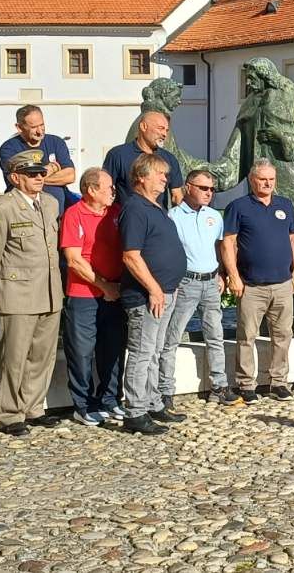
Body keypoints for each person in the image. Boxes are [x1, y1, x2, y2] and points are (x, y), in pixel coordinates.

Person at [0, 150, 65, 437]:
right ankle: (10, 413)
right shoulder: (3, 208)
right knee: (14, 357)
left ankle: (33, 408)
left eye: (41, 173)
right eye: (32, 174)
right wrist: (1, 289)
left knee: (42, 355)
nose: (39, 178)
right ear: (15, 178)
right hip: (18, 293)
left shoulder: (50, 203)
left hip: (49, 290)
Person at [116, 153, 189, 434]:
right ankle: (135, 412)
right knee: (142, 352)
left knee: (155, 351)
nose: (165, 179)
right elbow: (131, 256)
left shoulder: (156, 207)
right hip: (146, 296)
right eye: (159, 174)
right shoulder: (135, 208)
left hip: (166, 292)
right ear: (141, 177)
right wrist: (154, 288)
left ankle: (153, 402)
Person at [223, 160, 294, 403]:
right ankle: (246, 384)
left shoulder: (285, 205)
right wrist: (233, 276)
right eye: (262, 179)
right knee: (246, 336)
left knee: (283, 335)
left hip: (282, 284)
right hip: (251, 285)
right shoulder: (238, 207)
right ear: (252, 180)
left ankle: (278, 382)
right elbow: (228, 243)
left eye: (271, 179)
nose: (268, 183)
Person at [61, 168, 127, 425]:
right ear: (91, 190)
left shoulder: (116, 212)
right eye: (108, 187)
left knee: (113, 348)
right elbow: (74, 260)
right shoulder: (74, 214)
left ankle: (110, 399)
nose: (113, 191)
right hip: (84, 294)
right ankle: (83, 404)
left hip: (114, 293)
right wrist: (104, 286)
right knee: (82, 350)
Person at [166, 168, 237, 405]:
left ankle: (219, 386)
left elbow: (220, 247)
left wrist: (222, 273)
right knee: (172, 337)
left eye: (212, 189)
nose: (209, 193)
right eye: (203, 188)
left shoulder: (214, 216)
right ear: (188, 187)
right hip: (186, 282)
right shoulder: (173, 216)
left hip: (211, 282)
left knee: (215, 335)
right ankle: (165, 390)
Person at [0, 104, 76, 214]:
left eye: (42, 125)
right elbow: (18, 180)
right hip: (23, 213)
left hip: (57, 215)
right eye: (34, 127)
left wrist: (34, 177)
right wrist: (53, 168)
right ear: (19, 127)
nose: (40, 131)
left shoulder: (56, 142)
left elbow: (70, 176)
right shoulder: (9, 148)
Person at [102, 110, 184, 207]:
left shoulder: (169, 158)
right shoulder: (118, 154)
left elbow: (177, 196)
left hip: (158, 215)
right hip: (129, 214)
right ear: (143, 127)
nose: (164, 134)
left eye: (166, 130)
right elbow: (104, 188)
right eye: (160, 128)